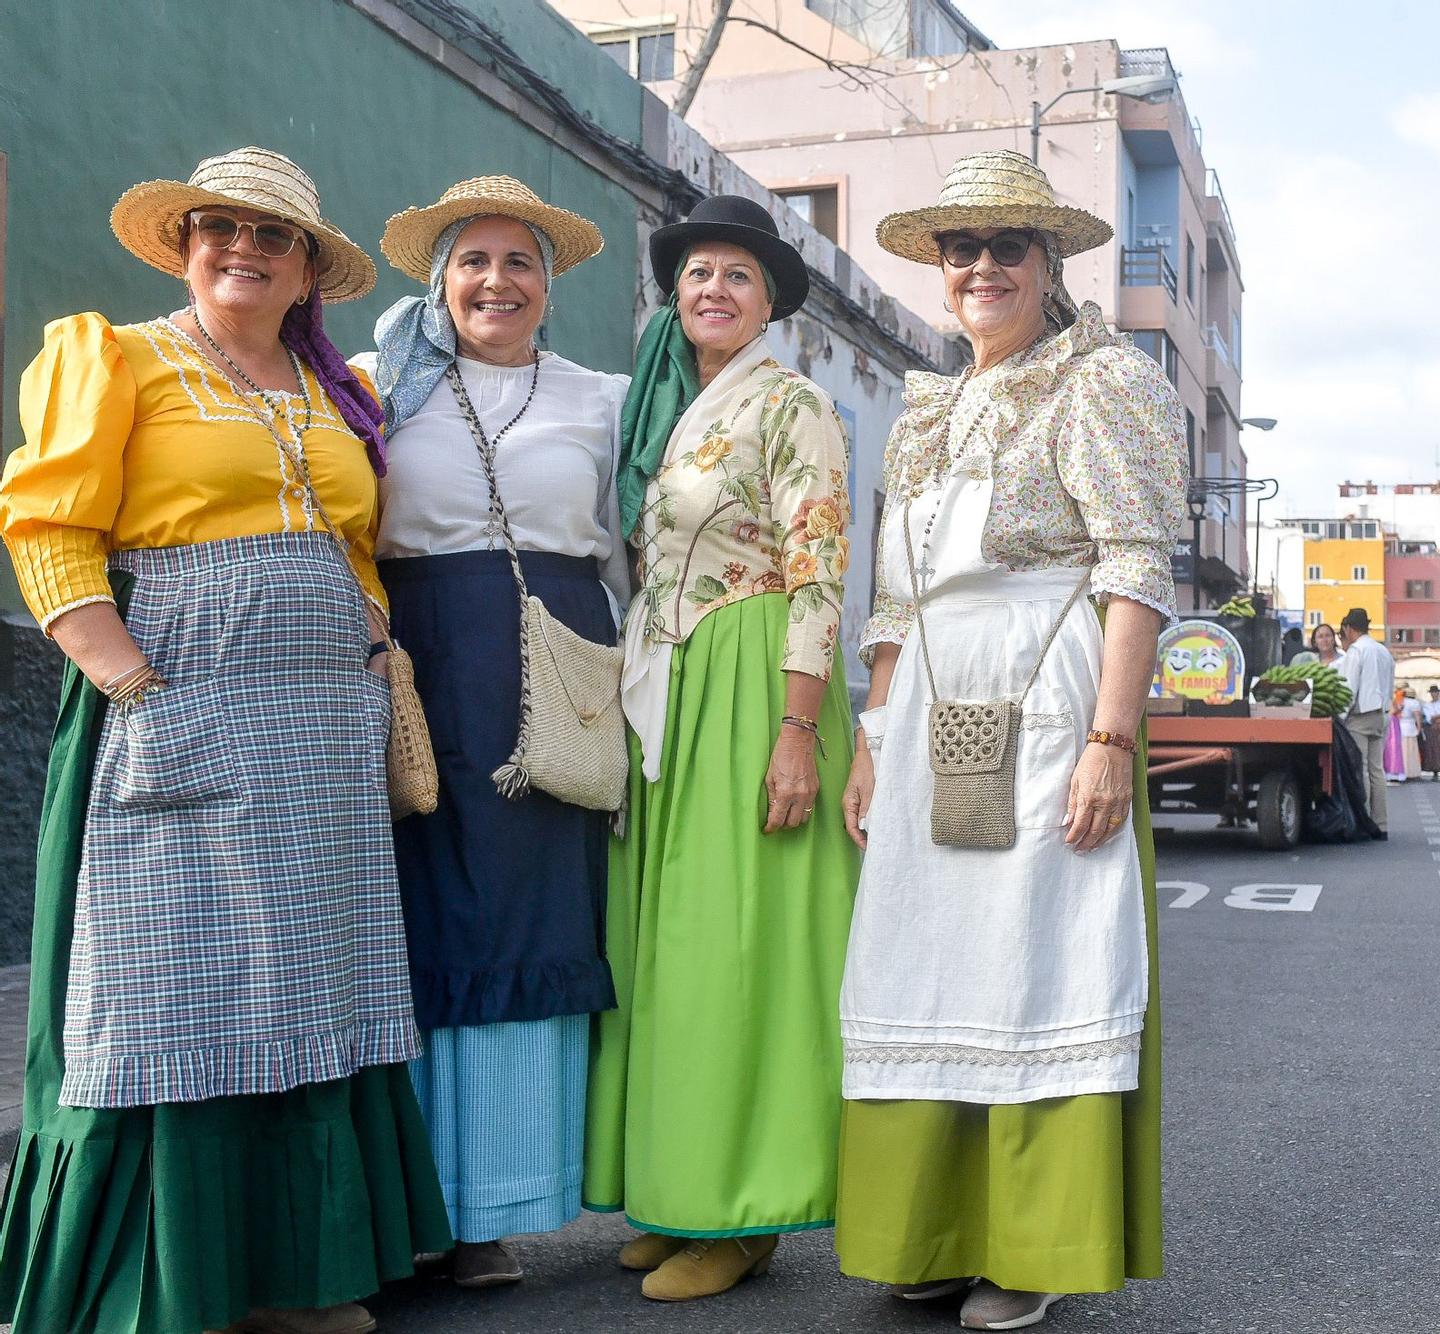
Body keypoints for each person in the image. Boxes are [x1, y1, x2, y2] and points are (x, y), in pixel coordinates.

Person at [0, 148, 448, 1334]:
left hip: (316, 724)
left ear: (309, 268)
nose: (241, 247)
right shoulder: (118, 355)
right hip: (175, 697)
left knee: (309, 976)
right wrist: (134, 686)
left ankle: (293, 1272)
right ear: (183, 242)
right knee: (164, 983)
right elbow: (48, 523)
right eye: (217, 226)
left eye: (272, 235)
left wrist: (362, 656)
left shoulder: (331, 388)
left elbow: (352, 542)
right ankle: (171, 1278)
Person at [835, 150, 1182, 1331]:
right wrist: (872, 735)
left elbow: (1135, 568)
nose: (980, 266)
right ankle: (930, 1227)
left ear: (1051, 261)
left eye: (1007, 246)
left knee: (1038, 959)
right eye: (958, 248)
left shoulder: (1103, 381)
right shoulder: (927, 406)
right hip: (932, 709)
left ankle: (1032, 1242)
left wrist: (1108, 738)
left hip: (1045, 693)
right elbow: (891, 602)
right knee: (927, 955)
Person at [584, 195, 859, 1300]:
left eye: (737, 277)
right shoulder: (673, 409)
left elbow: (819, 567)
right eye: (697, 272)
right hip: (673, 681)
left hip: (754, 677)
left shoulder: (791, 403)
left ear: (771, 302)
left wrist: (797, 729)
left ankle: (742, 1207)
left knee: (736, 948)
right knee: (665, 942)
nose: (712, 290)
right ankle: (674, 1183)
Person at [354, 177, 626, 1288]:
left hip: (554, 664)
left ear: (548, 288)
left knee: (527, 918)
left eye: (520, 264)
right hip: (413, 657)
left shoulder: (600, 398)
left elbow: (635, 541)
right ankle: (406, 1205)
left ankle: (491, 1213)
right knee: (409, 914)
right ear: (440, 279)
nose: (496, 282)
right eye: (474, 261)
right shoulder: (376, 385)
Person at [1335, 608, 1395, 833]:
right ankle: (1380, 824)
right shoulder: (1382, 651)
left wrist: (1340, 717)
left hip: (1359, 716)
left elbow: (1349, 689)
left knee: (1359, 770)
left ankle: (1362, 823)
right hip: (1380, 715)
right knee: (1377, 771)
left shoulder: (1357, 651)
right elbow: (1389, 685)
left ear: (1349, 629)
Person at [1418, 684, 1440, 780]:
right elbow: (1430, 717)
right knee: (1431, 749)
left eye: (1435, 692)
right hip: (1431, 729)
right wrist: (1439, 716)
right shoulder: (1428, 705)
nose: (1434, 694)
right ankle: (1434, 769)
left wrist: (1438, 716)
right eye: (1432, 692)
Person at [1384, 685, 1408, 784]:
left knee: (1393, 747)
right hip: (1392, 723)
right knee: (1391, 747)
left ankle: (1393, 771)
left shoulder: (1395, 700)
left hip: (1392, 723)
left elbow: (1393, 711)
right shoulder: (1394, 700)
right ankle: (1392, 771)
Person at [1399, 686, 1425, 778]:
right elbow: (1417, 716)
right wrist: (1419, 727)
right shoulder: (1414, 703)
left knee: (1402, 750)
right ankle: (1412, 772)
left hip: (1400, 725)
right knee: (1411, 750)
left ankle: (1402, 771)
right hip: (1410, 726)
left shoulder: (1400, 701)